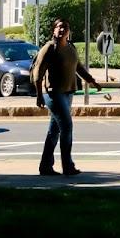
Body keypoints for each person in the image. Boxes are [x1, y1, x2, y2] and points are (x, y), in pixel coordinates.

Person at [30, 18, 104, 176]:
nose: (62, 30)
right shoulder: (49, 48)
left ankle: (45, 166)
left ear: (69, 31)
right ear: (54, 30)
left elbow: (78, 67)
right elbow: (38, 72)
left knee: (54, 131)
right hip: (52, 93)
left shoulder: (71, 48)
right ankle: (67, 165)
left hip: (68, 92)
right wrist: (39, 96)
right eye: (59, 27)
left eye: (65, 27)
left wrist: (92, 81)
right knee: (67, 127)